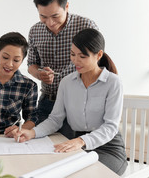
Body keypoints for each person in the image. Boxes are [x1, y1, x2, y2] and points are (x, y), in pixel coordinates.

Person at [17, 28, 127, 175]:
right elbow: (55, 120)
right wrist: (32, 133)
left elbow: (110, 126)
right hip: (77, 144)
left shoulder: (113, 82)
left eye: (82, 56)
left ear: (98, 55)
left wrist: (81, 141)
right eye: (72, 54)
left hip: (108, 147)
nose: (75, 60)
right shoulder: (67, 82)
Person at [27, 0, 98, 137]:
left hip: (77, 102)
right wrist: (40, 74)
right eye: (43, 17)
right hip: (47, 102)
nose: (50, 23)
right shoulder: (35, 31)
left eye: (55, 16)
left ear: (66, 7)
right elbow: (31, 65)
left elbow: (95, 64)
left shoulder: (85, 26)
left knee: (72, 151)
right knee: (39, 147)